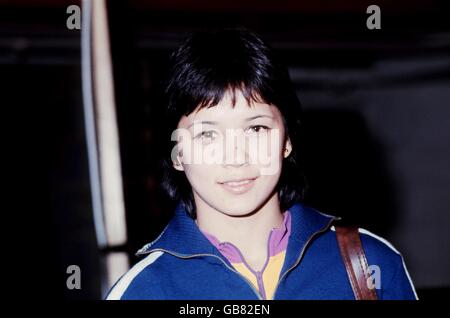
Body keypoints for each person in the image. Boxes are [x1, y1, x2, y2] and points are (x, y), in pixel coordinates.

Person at [106, 28, 417, 300]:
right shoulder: (142, 290)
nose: (236, 156)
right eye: (207, 134)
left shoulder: (369, 264)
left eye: (256, 128)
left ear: (287, 141)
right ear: (177, 153)